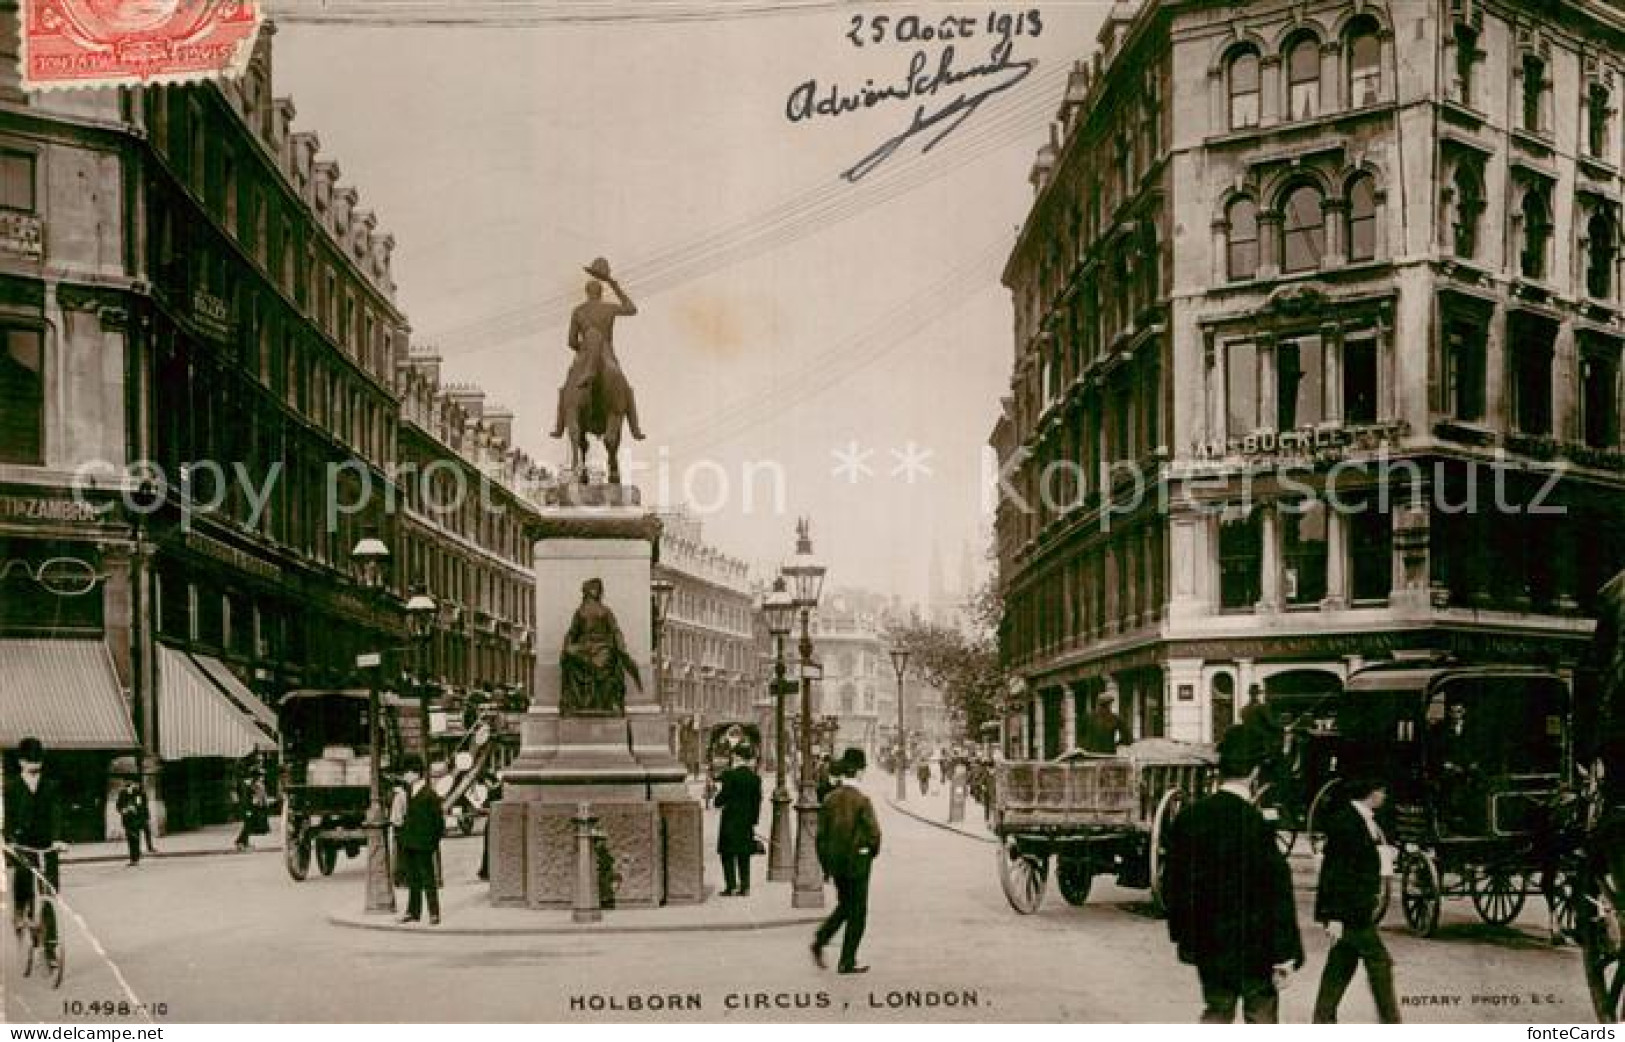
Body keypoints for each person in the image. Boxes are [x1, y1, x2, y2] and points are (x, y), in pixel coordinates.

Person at [1164, 727, 1303, 1023]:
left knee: (1216, 1012)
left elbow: (1173, 883)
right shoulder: (1255, 823)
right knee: (1261, 1018)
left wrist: (1185, 934)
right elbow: (1277, 891)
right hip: (1254, 947)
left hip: (1209, 944)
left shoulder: (1189, 817)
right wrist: (1285, 953)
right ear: (1254, 773)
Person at [1312, 777, 1401, 1023]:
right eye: (1381, 790)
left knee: (1341, 965)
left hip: (1354, 908)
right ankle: (1392, 1024)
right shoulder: (1347, 823)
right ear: (1370, 793)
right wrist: (1335, 916)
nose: (1384, 796)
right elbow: (1335, 873)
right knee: (1380, 963)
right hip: (1350, 911)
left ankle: (1322, 1019)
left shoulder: (1359, 819)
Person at [551, 260, 645, 441]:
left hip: (584, 356)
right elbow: (632, 309)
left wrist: (582, 349)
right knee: (627, 389)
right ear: (601, 293)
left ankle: (559, 427)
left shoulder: (578, 311)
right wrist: (614, 285)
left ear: (587, 292)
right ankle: (635, 429)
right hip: (608, 354)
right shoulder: (609, 308)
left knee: (565, 390)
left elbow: (570, 341)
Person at [811, 748, 882, 974]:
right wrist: (869, 852)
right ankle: (847, 960)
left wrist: (826, 866)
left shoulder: (830, 799)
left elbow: (820, 837)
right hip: (858, 865)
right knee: (858, 912)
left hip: (837, 864)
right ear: (858, 772)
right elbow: (874, 834)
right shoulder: (862, 800)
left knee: (845, 906)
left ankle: (821, 939)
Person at [4, 737, 67, 968]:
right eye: (30, 761)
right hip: (20, 846)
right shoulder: (10, 787)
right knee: (24, 886)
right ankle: (22, 918)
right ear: (21, 762)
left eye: (38, 761)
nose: (35, 765)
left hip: (46, 845)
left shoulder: (51, 785)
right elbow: (7, 817)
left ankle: (50, 949)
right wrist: (7, 840)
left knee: (48, 894)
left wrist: (58, 838)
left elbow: (57, 812)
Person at [396, 756, 445, 925]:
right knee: (413, 879)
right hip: (409, 842)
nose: (405, 776)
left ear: (416, 773)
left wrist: (432, 843)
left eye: (407, 773)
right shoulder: (408, 793)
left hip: (424, 843)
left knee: (428, 878)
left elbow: (439, 823)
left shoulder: (430, 795)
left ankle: (434, 913)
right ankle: (413, 911)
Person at [714, 745, 763, 897]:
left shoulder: (730, 775)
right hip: (746, 822)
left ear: (736, 757)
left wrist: (717, 799)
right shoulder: (755, 778)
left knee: (727, 854)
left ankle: (731, 886)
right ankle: (745, 887)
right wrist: (753, 822)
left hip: (730, 821)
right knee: (744, 854)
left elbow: (721, 799)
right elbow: (757, 803)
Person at [116, 779, 150, 867]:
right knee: (130, 839)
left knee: (135, 838)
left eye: (130, 785)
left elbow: (141, 805)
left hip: (136, 820)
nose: (129, 787)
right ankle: (132, 858)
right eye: (127, 786)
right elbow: (118, 806)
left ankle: (136, 858)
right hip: (127, 820)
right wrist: (123, 810)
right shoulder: (122, 793)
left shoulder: (138, 793)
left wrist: (135, 808)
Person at [234, 765, 268, 852]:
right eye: (259, 775)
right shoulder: (250, 784)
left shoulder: (252, 783)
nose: (260, 777)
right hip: (248, 808)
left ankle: (244, 842)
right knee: (248, 825)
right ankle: (240, 841)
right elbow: (251, 797)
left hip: (249, 807)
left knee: (248, 825)